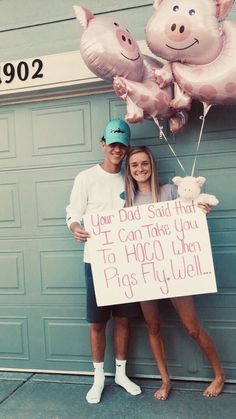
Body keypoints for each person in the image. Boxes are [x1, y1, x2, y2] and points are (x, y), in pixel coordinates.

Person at [125, 145, 225, 401]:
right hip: (145, 273)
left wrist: (200, 211)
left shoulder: (168, 190)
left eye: (144, 163)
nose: (140, 169)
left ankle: (219, 375)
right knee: (153, 326)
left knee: (192, 327)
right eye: (135, 164)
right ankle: (165, 380)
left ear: (151, 164)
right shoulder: (127, 201)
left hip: (175, 271)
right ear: (130, 169)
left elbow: (188, 216)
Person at [66, 119, 141, 404]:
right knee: (98, 322)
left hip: (126, 260)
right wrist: (75, 227)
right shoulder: (85, 178)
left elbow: (152, 207)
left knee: (124, 318)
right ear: (103, 144)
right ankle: (98, 378)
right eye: (112, 144)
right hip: (96, 260)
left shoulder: (131, 178)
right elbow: (73, 212)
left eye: (122, 145)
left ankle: (121, 374)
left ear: (127, 148)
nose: (117, 149)